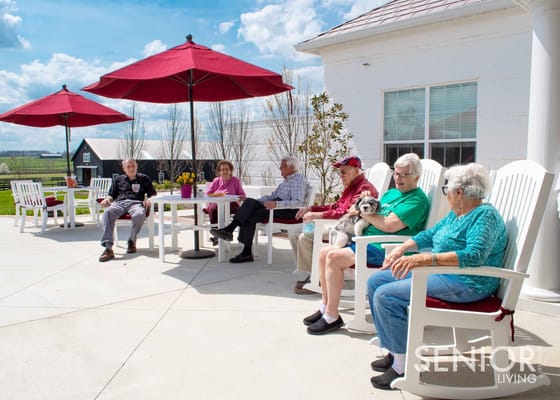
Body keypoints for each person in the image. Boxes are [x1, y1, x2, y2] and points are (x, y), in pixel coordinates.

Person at [367, 163, 506, 390]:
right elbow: (430, 235)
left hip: (468, 282)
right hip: (444, 275)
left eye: (447, 190)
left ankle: (403, 366)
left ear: (459, 193)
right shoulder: (457, 214)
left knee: (387, 296)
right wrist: (402, 249)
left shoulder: (484, 216)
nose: (446, 195)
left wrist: (424, 260)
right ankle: (395, 351)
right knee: (376, 281)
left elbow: (474, 255)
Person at [303, 153, 429, 335]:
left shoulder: (416, 199)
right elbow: (372, 211)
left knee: (333, 257)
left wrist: (362, 212)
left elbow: (389, 225)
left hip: (385, 248)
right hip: (365, 241)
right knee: (324, 253)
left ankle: (332, 316)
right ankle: (325, 306)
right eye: (396, 173)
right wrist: (363, 203)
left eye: (404, 175)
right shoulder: (392, 193)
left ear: (416, 177)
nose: (398, 178)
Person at [289, 155, 378, 295]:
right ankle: (312, 272)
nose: (340, 176)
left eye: (344, 172)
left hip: (348, 229)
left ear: (356, 171)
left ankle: (317, 277)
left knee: (304, 237)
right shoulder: (351, 186)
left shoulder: (363, 188)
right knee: (294, 233)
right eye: (339, 172)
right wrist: (311, 209)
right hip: (338, 224)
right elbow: (336, 206)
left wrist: (317, 216)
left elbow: (345, 213)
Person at [211, 155, 309, 263]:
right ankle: (240, 245)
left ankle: (237, 240)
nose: (280, 169)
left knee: (250, 214)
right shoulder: (286, 181)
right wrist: (253, 201)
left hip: (289, 211)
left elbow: (298, 202)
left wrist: (276, 204)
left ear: (290, 167)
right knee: (249, 206)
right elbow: (272, 196)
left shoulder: (298, 180)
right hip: (278, 207)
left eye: (282, 167)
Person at [98, 159, 157, 262]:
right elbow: (111, 195)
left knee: (140, 213)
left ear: (136, 166)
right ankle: (108, 248)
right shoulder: (118, 179)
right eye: (128, 166)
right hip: (119, 203)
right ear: (124, 168)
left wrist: (148, 200)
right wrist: (107, 199)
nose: (131, 168)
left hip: (136, 203)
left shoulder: (144, 178)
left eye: (133, 166)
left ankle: (132, 241)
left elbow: (152, 194)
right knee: (108, 212)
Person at [204, 160, 246, 245]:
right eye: (222, 169)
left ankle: (224, 232)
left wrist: (239, 197)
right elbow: (208, 193)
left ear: (230, 170)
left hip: (231, 204)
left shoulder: (235, 180)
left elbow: (242, 195)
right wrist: (217, 194)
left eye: (226, 169)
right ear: (219, 172)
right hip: (217, 202)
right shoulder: (216, 180)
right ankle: (216, 234)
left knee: (226, 209)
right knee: (213, 209)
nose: (224, 171)